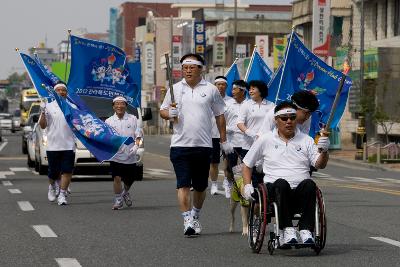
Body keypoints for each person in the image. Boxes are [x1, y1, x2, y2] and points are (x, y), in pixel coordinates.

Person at [160, 53, 233, 237]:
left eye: (192, 67)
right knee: (183, 185)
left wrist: (223, 140)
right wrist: (169, 113)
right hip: (179, 145)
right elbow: (162, 110)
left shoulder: (210, 90)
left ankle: (195, 214)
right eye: (185, 67)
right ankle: (187, 221)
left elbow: (220, 115)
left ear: (201, 68)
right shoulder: (174, 89)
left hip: (203, 145)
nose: (188, 70)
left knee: (200, 187)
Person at [242, 101, 330, 245]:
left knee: (310, 184)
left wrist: (325, 151)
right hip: (274, 191)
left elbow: (320, 164)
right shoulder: (265, 140)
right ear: (276, 120)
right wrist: (247, 186)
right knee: (281, 184)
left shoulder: (306, 140)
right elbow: (247, 165)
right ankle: (287, 229)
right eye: (284, 118)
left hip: (299, 192)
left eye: (292, 117)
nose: (289, 121)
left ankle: (306, 229)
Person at [39, 81, 75, 206]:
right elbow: (43, 126)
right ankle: (52, 186)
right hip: (53, 145)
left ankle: (62, 194)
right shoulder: (48, 106)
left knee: (67, 171)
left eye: (63, 90)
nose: (61, 92)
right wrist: (43, 112)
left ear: (66, 92)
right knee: (53, 173)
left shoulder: (72, 106)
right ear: (54, 92)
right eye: (58, 90)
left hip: (69, 145)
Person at [105, 96, 142, 210]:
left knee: (130, 179)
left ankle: (125, 192)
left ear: (126, 106)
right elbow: (106, 138)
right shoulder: (109, 121)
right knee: (117, 177)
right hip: (116, 155)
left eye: (122, 104)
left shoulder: (133, 119)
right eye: (117, 104)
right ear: (113, 106)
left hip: (130, 154)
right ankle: (118, 200)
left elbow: (138, 134)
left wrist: (136, 145)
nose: (119, 106)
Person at [237, 80, 274, 185]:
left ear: (261, 90)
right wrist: (251, 133)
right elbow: (240, 123)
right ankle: (248, 195)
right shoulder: (246, 105)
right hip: (248, 145)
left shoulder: (271, 106)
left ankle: (262, 199)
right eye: (249, 89)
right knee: (249, 173)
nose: (250, 91)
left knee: (263, 175)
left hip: (265, 145)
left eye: (253, 88)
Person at [223, 80, 248, 198]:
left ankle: (243, 187)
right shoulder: (227, 105)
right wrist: (227, 129)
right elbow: (221, 120)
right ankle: (229, 183)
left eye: (235, 89)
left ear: (242, 91)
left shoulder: (248, 104)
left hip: (245, 141)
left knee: (245, 166)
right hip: (231, 141)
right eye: (232, 89)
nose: (232, 91)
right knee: (230, 167)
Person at [209, 76, 233, 195]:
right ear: (214, 86)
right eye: (218, 84)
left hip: (227, 135)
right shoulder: (209, 100)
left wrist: (228, 128)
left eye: (223, 84)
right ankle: (214, 184)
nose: (220, 86)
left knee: (228, 161)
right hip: (212, 135)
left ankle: (227, 183)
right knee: (213, 162)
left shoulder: (231, 102)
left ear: (226, 86)